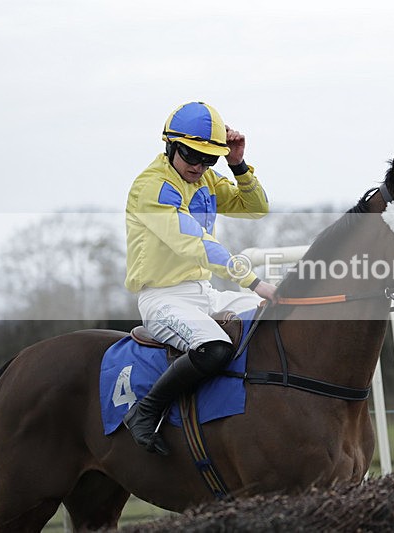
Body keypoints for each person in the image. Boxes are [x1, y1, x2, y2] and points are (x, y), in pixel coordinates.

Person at [123, 101, 276, 455]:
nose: (199, 166)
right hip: (162, 298)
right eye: (192, 155)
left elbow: (256, 209)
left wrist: (236, 164)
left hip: (204, 293)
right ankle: (145, 412)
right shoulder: (152, 187)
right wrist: (254, 282)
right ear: (171, 146)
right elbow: (194, 242)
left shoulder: (206, 177)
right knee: (216, 348)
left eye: (209, 159)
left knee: (270, 318)